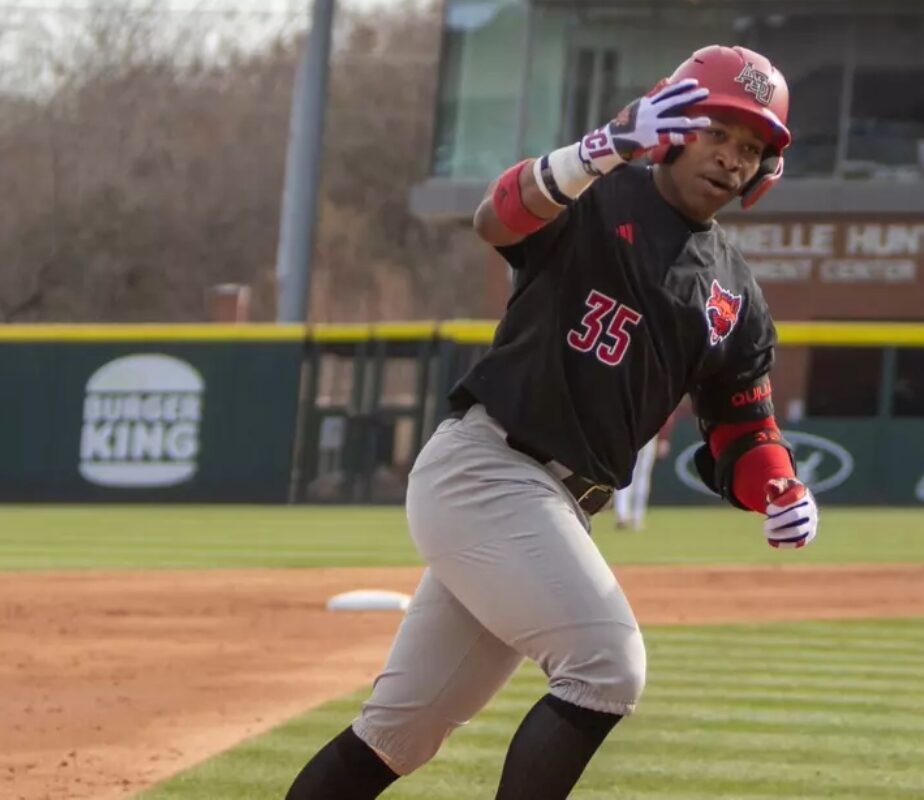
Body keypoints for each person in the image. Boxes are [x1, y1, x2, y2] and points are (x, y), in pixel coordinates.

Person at [285, 44, 820, 800]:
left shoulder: (737, 290)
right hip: (488, 468)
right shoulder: (602, 192)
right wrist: (601, 146)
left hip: (557, 504)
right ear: (671, 124)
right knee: (608, 667)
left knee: (399, 734)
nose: (733, 158)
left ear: (766, 170)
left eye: (753, 147)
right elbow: (495, 219)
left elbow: (742, 427)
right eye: (718, 132)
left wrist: (779, 486)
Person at [613, 409, 676, 530]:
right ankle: (628, 515)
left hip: (640, 432)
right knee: (632, 473)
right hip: (633, 432)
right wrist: (664, 437)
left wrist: (663, 437)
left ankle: (630, 514)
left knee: (635, 474)